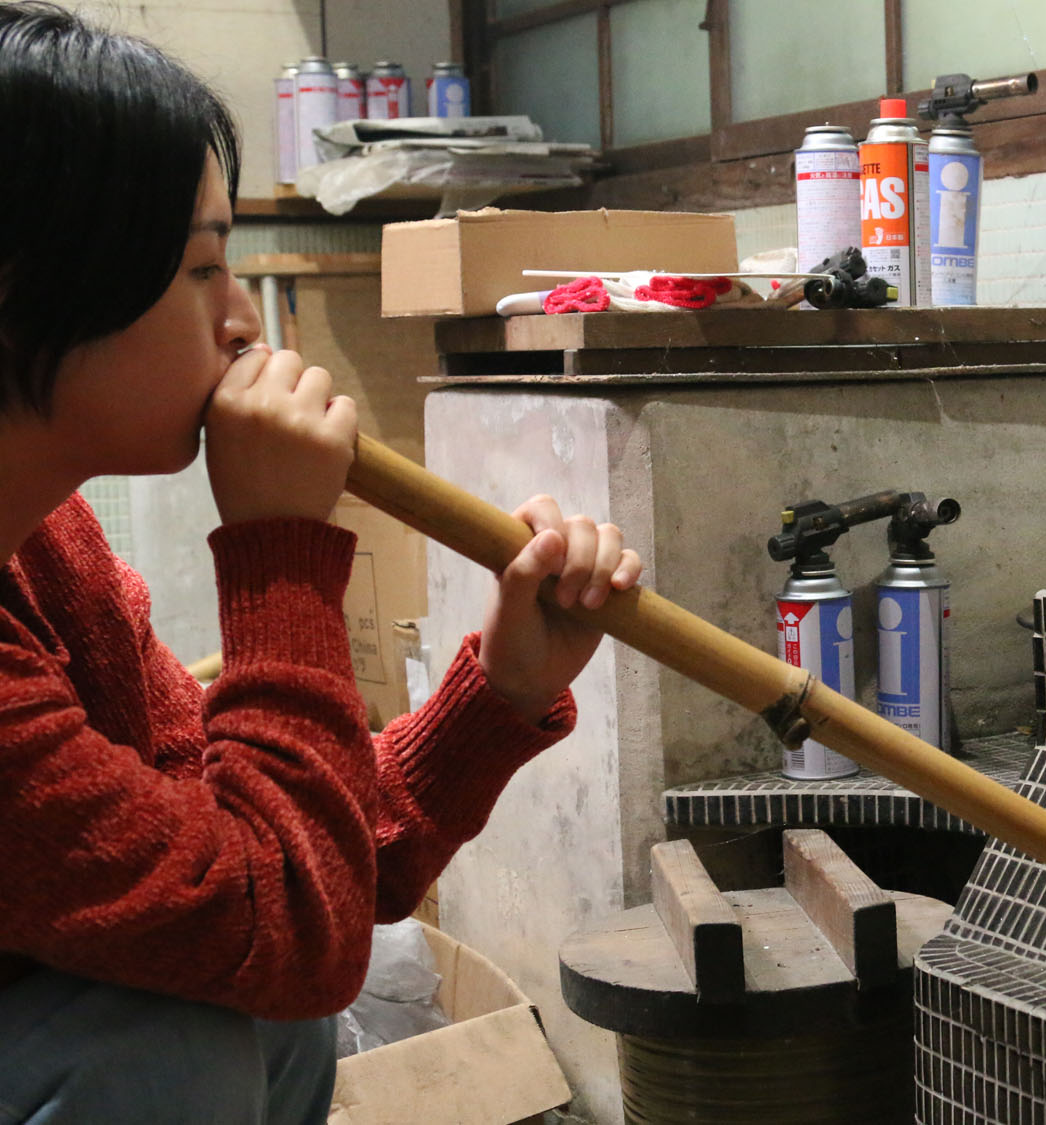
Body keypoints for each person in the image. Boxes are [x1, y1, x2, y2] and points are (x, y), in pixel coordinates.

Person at [0, 5, 643, 1121]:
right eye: (203, 270)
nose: (242, 323)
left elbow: (299, 880)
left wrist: (502, 690)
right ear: (23, 290)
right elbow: (286, 918)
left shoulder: (47, 545)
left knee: (268, 1009)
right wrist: (278, 553)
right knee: (159, 1055)